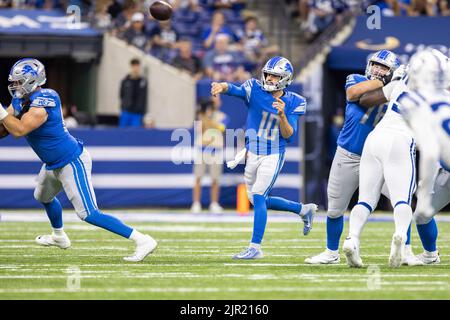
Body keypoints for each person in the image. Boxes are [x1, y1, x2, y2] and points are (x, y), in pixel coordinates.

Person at [0, 58, 157, 262]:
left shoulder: (46, 99)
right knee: (42, 196)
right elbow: (5, 129)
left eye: (19, 82)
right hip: (53, 164)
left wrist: (2, 113)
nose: (15, 86)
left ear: (32, 80)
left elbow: (19, 130)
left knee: (88, 214)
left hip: (71, 161)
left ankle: (143, 239)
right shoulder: (20, 100)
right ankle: (59, 236)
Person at [305, 50, 421, 266]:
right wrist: (389, 83)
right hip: (348, 153)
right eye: (375, 65)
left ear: (392, 71)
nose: (377, 69)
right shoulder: (358, 79)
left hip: (379, 157)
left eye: (383, 67)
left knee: (402, 201)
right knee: (335, 208)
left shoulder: (398, 91)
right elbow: (352, 94)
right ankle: (331, 251)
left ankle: (406, 249)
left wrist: (398, 85)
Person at [211, 56, 318, 259]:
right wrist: (221, 86)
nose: (268, 78)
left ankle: (255, 247)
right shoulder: (254, 89)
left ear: (285, 79)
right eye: (267, 74)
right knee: (258, 200)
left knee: (259, 196)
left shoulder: (294, 102)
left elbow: (289, 135)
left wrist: (283, 115)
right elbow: (234, 89)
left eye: (274, 76)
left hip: (273, 153)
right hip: (252, 152)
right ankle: (303, 210)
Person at [341, 60, 420, 268]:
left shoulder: (399, 84)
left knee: (366, 199)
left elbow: (366, 101)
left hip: (376, 138)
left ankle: (352, 239)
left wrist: (393, 82)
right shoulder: (440, 97)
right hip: (401, 140)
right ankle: (401, 239)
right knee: (402, 199)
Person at [398, 49, 450, 265]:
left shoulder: (414, 103)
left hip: (441, 167)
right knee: (421, 215)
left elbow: (428, 152)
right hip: (446, 171)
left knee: (421, 211)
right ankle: (430, 255)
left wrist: (424, 190)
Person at [191, 96, 228, 214]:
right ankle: (196, 203)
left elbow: (220, 128)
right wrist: (203, 114)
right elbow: (201, 130)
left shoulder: (223, 116)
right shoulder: (200, 116)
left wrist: (209, 116)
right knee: (198, 177)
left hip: (215, 150)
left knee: (215, 179)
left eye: (216, 100)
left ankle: (214, 203)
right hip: (202, 149)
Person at [119, 58, 148, 127]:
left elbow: (144, 98)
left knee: (135, 133)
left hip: (137, 113)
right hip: (126, 112)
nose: (135, 68)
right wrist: (124, 106)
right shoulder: (125, 81)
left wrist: (142, 111)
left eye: (137, 66)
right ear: (131, 67)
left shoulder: (143, 82)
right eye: (133, 66)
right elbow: (121, 94)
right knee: (122, 132)